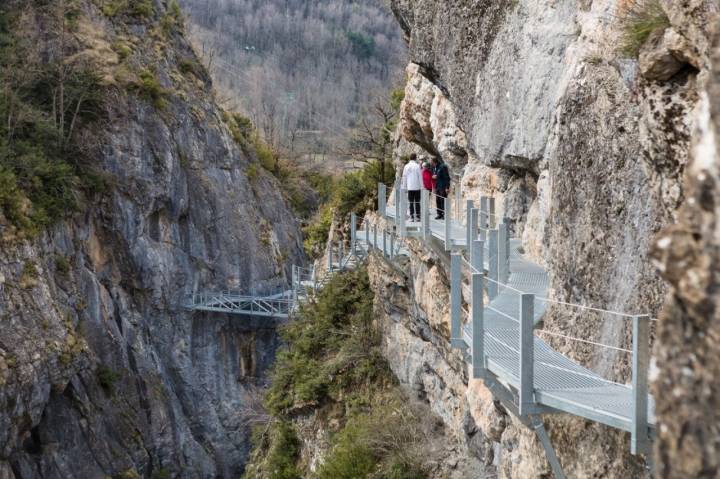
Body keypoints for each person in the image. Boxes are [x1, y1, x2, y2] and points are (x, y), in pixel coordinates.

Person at [401, 153, 423, 222]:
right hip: (417, 187)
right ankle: (418, 216)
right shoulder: (417, 166)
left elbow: (404, 177)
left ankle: (411, 217)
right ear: (415, 158)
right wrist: (422, 187)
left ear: (409, 158)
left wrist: (404, 187)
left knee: (410, 202)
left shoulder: (406, 166)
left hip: (410, 187)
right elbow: (420, 177)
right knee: (417, 202)